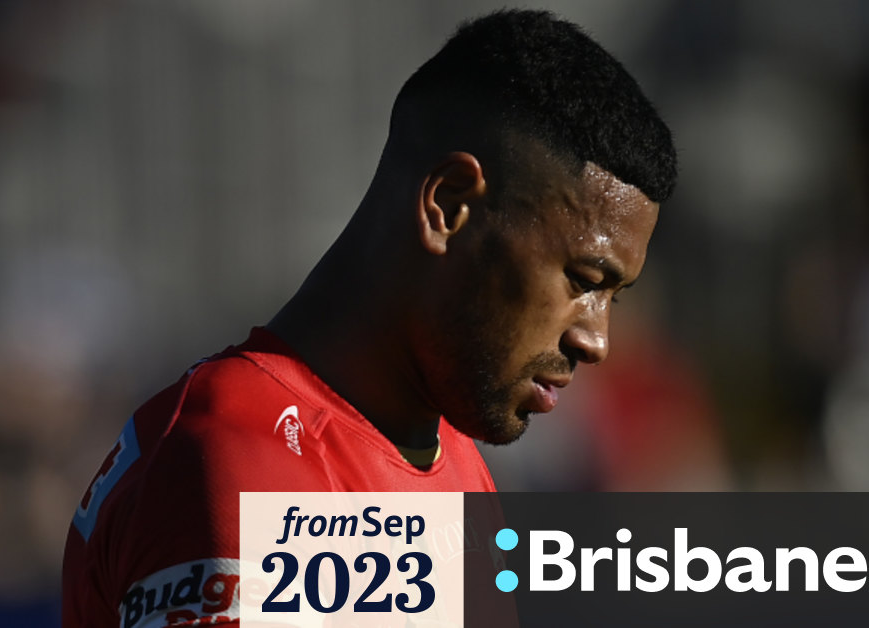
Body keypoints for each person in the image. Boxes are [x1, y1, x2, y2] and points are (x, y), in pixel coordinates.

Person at [62, 9, 676, 627]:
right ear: (450, 206)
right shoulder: (240, 463)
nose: (595, 340)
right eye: (585, 280)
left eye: (612, 297)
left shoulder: (453, 460)